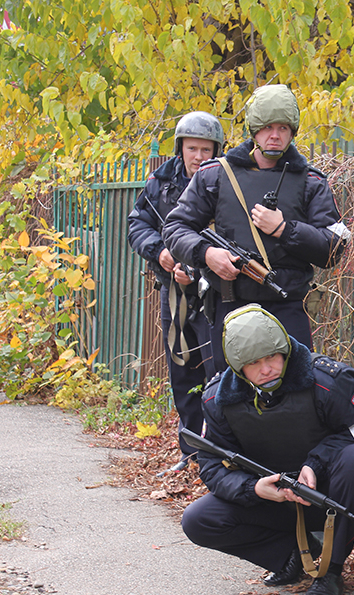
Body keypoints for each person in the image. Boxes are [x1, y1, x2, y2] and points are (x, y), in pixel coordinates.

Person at [181, 304, 354, 595]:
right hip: (271, 501)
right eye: (254, 363)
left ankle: (330, 571)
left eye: (272, 357)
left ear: (285, 350)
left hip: (330, 495)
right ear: (238, 367)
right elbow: (210, 464)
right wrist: (253, 489)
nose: (267, 369)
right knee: (198, 519)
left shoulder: (328, 380)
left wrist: (315, 462)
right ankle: (290, 556)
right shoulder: (218, 399)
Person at [163, 84, 349, 369]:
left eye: (284, 128)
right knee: (227, 400)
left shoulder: (312, 181)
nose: (275, 135)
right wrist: (207, 255)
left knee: (294, 397)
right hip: (229, 306)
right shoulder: (215, 175)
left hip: (288, 308)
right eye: (267, 127)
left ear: (293, 131)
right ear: (254, 128)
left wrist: (285, 230)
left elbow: (332, 249)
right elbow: (176, 228)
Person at [127, 111, 224, 467]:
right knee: (182, 368)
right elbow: (138, 224)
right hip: (175, 293)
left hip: (217, 294)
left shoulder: (226, 179)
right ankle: (190, 450)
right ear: (180, 148)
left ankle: (219, 450)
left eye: (206, 149)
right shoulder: (160, 181)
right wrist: (161, 253)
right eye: (192, 148)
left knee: (219, 369)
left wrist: (197, 266)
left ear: (217, 149)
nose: (199, 156)